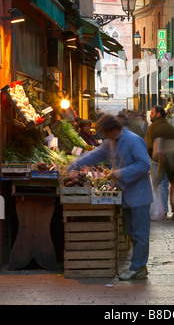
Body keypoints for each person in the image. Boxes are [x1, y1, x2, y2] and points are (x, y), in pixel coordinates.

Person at [67, 114, 152, 281]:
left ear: (113, 129)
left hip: (139, 194)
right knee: (133, 231)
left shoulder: (133, 140)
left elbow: (144, 164)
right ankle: (139, 265)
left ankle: (137, 268)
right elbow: (96, 155)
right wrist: (74, 164)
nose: (104, 136)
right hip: (127, 193)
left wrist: (120, 173)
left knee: (140, 232)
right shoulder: (111, 142)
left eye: (105, 132)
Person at [145, 105, 174, 218]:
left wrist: (150, 155)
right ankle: (164, 210)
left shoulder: (153, 127)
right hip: (170, 159)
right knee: (165, 184)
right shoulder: (170, 127)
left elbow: (148, 145)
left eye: (152, 113)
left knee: (158, 184)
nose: (150, 115)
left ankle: (162, 210)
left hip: (157, 160)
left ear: (158, 114)